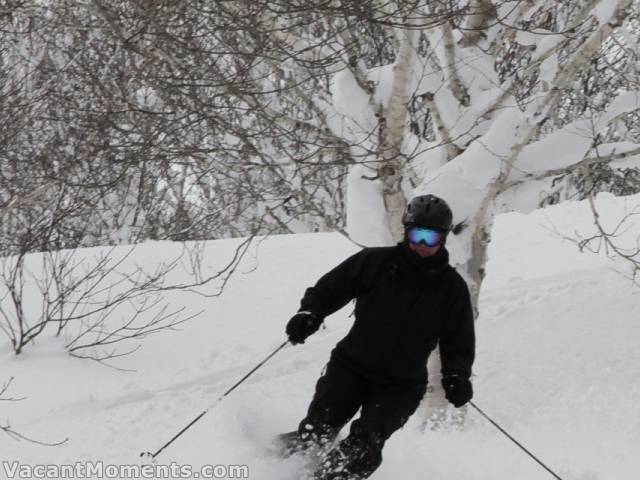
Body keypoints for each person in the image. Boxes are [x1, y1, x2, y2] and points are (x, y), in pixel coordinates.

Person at [280, 194, 475, 480]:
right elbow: (330, 289)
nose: (422, 244)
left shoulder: (452, 288)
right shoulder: (374, 262)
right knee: (317, 431)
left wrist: (457, 375)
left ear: (443, 238)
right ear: (406, 231)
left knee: (365, 446)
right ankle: (267, 465)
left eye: (430, 238)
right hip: (351, 367)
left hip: (401, 385)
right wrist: (310, 314)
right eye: (417, 234)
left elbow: (459, 339)